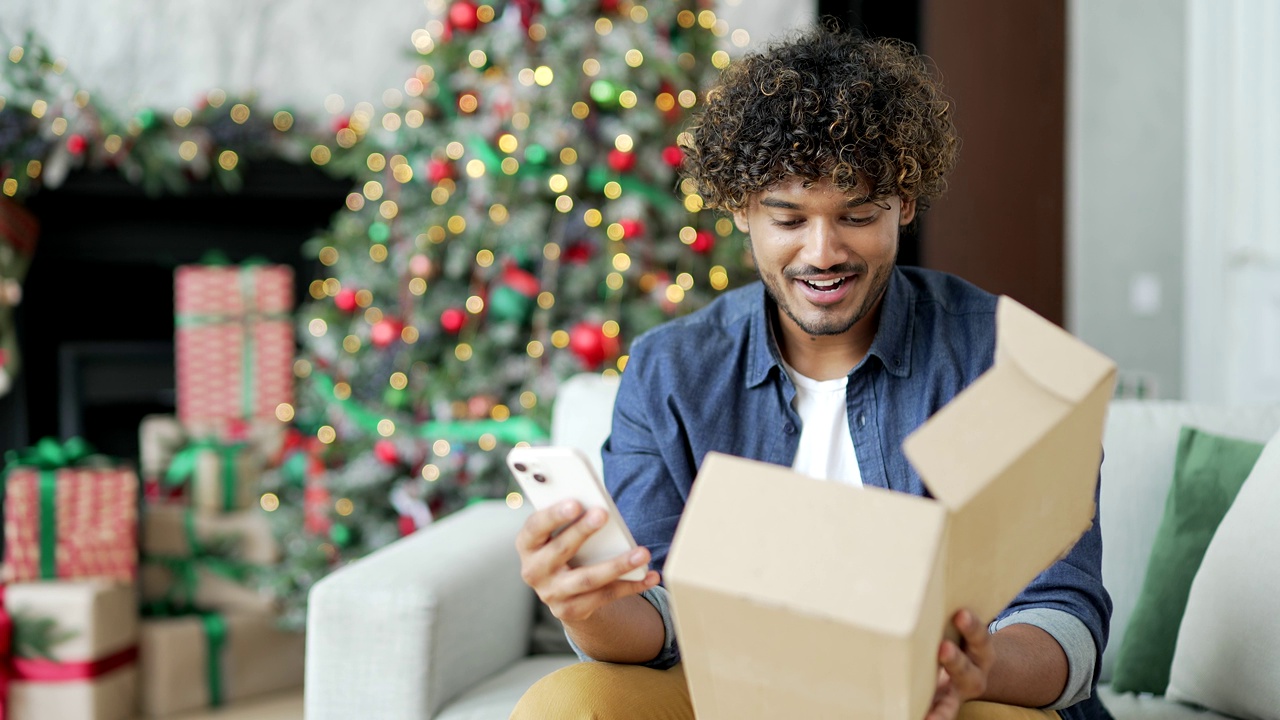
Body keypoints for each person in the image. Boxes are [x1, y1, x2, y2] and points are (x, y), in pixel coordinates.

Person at [513, 23, 1112, 720]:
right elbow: (662, 621)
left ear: (905, 203)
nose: (823, 252)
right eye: (788, 219)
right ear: (742, 209)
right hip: (740, 696)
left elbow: (1065, 616)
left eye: (857, 214)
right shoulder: (671, 370)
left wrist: (979, 670)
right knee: (567, 702)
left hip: (941, 705)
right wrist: (585, 605)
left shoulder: (999, 355)